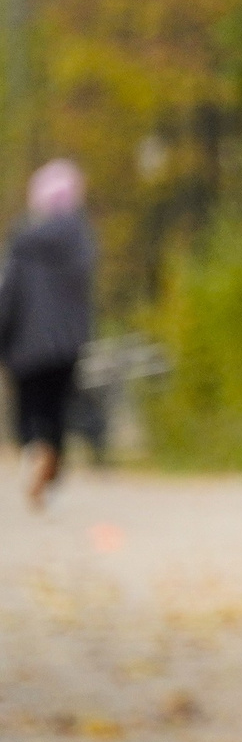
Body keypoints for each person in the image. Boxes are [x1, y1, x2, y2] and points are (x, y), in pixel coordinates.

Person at [1, 159, 95, 510]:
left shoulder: (23, 243)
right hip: (68, 342)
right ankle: (52, 477)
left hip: (26, 342)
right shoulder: (81, 243)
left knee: (29, 408)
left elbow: (8, 294)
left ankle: (34, 451)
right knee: (57, 410)